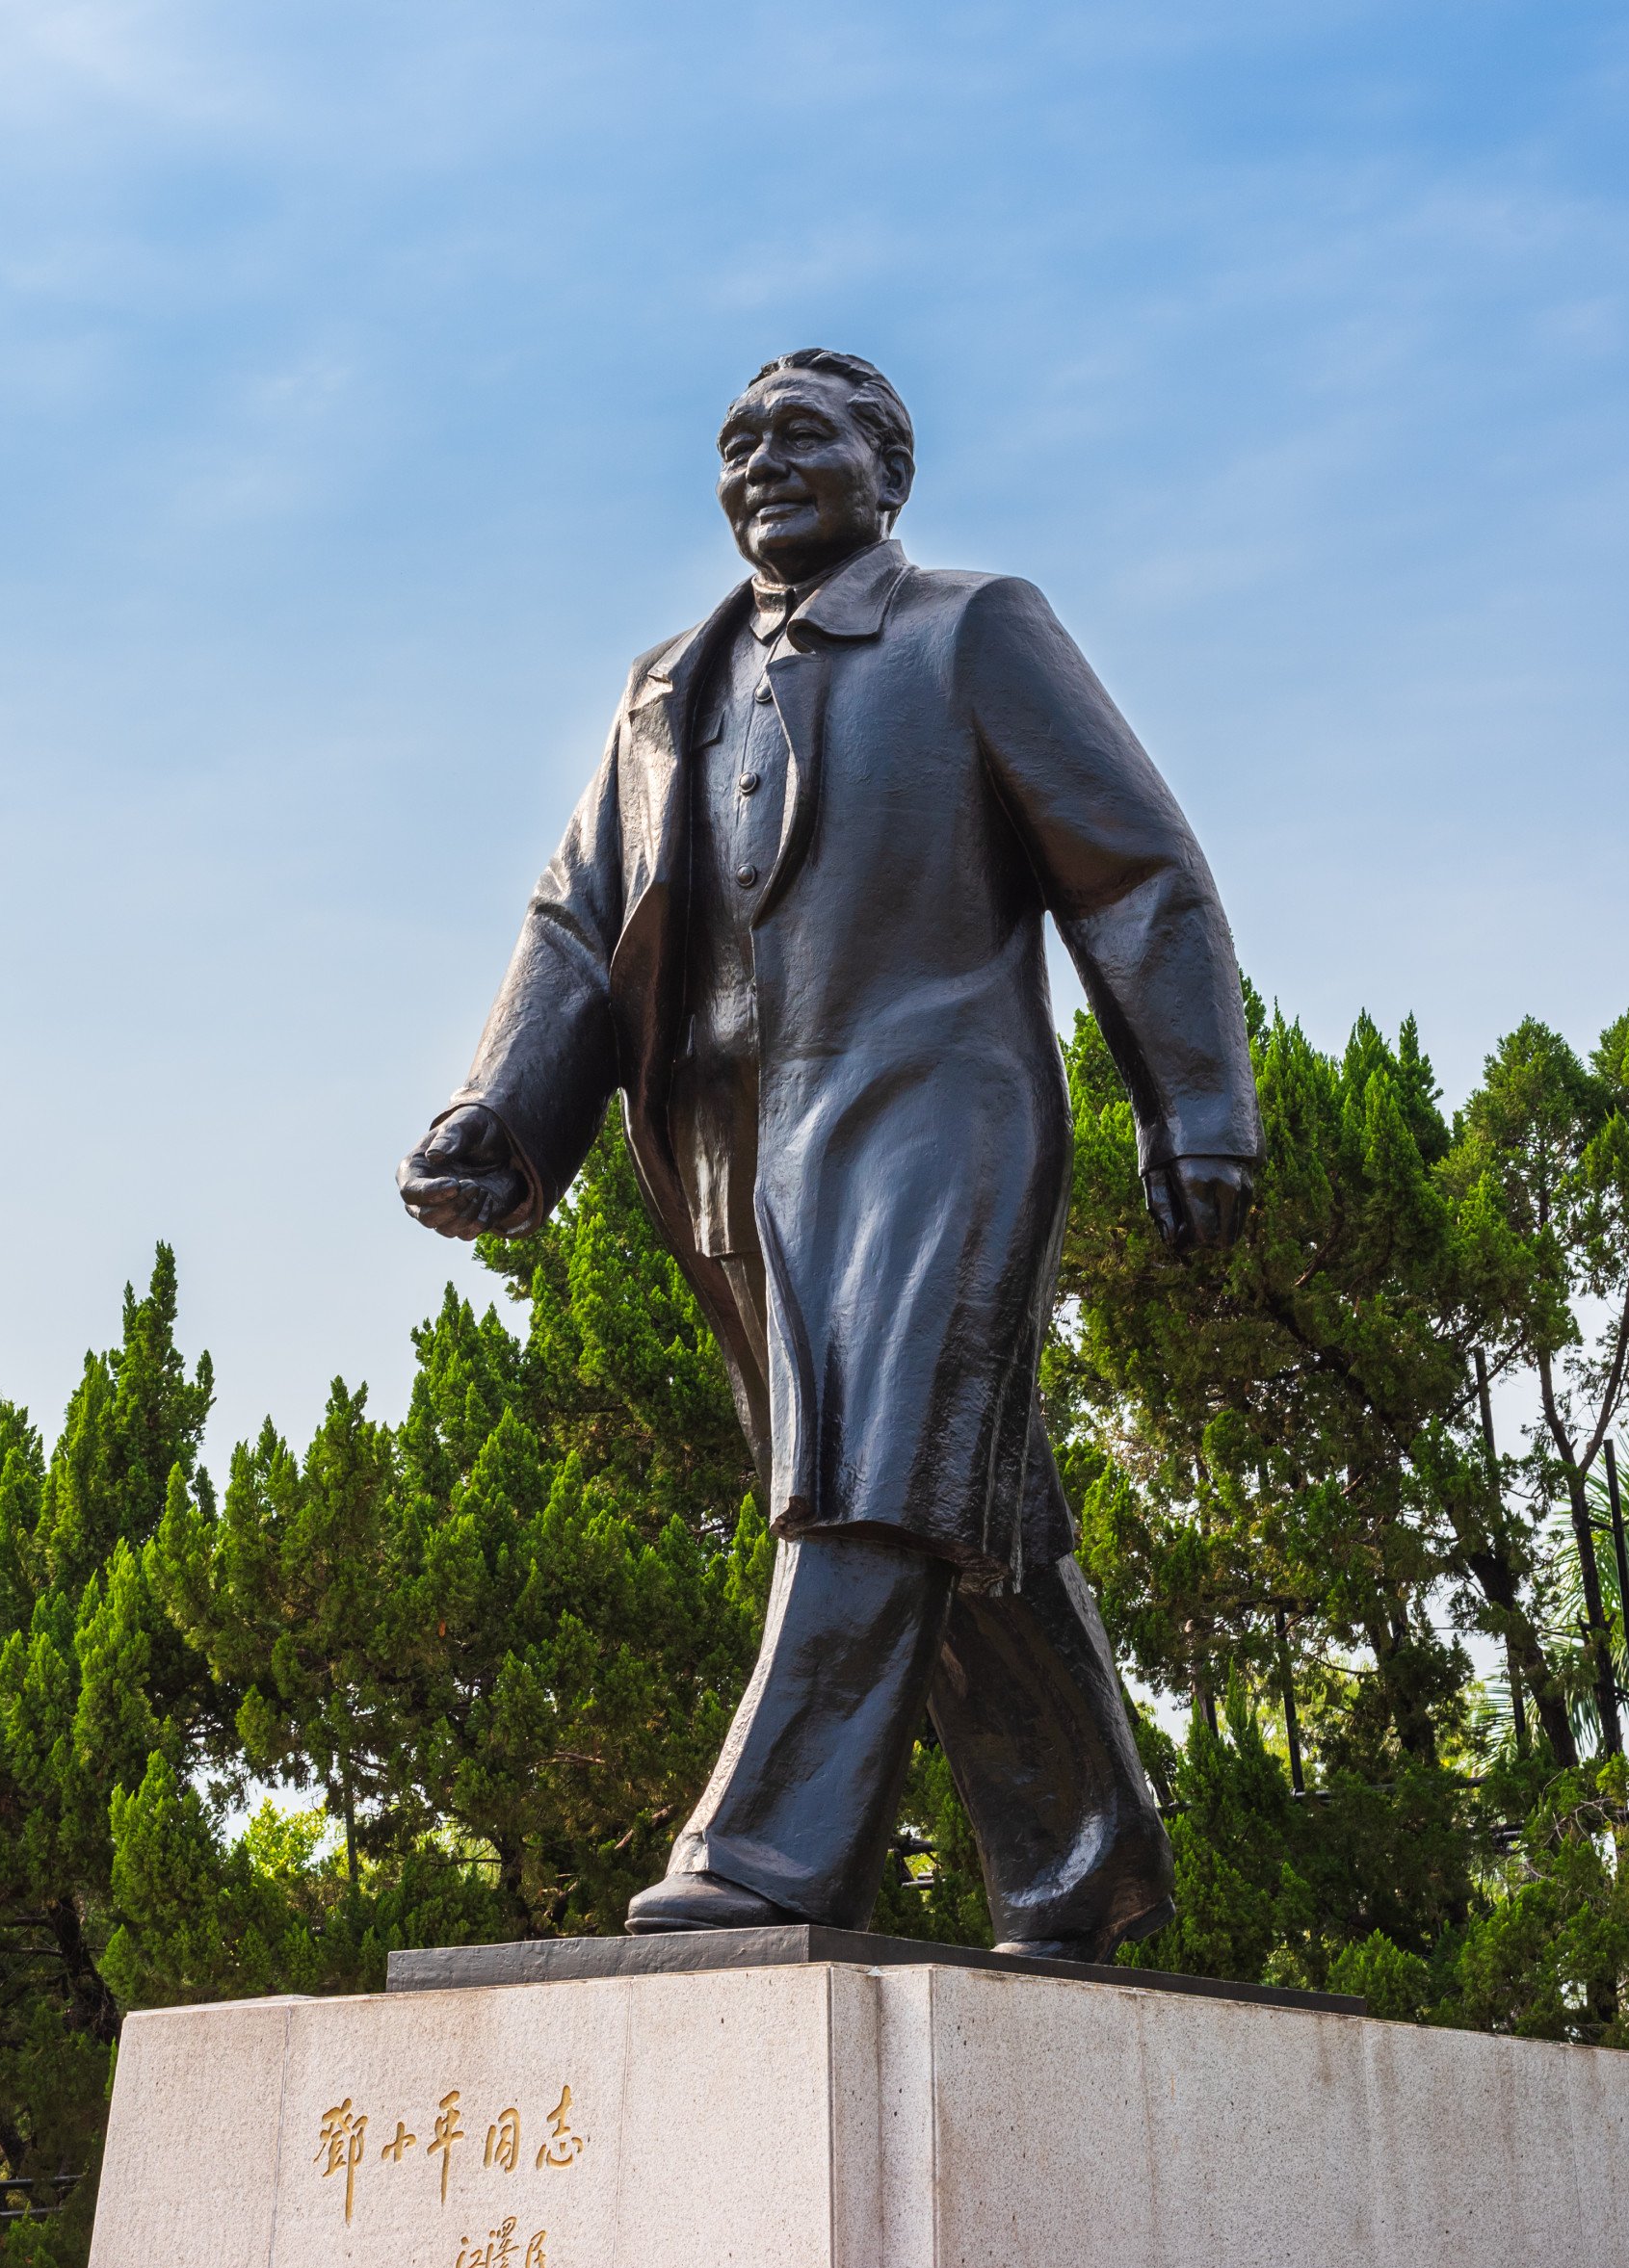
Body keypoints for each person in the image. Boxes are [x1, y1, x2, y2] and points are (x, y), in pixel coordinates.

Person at [399, 349, 1256, 1962]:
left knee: (866, 1473)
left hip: (936, 1109)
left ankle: (768, 1850)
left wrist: (1196, 1102)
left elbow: (1133, 872)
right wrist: (500, 1115)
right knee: (953, 1488)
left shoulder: (973, 630)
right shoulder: (665, 690)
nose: (760, 465)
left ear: (890, 468)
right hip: (730, 1151)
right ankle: (1086, 1847)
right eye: (735, 444)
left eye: (802, 434)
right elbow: (581, 923)